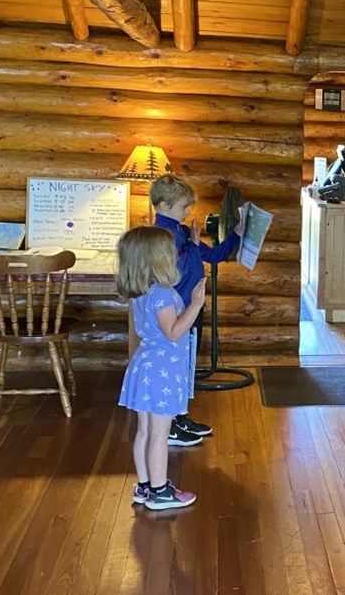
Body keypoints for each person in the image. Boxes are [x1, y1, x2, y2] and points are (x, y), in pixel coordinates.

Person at [116, 226, 205, 509]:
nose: (174, 256)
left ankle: (144, 486)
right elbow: (174, 331)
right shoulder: (162, 294)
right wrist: (196, 304)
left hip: (145, 366)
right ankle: (159, 491)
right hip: (161, 371)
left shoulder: (142, 292)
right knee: (159, 435)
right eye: (169, 253)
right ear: (156, 260)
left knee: (144, 432)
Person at [150, 174, 241, 446]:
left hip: (191, 307)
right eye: (183, 206)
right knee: (176, 365)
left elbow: (213, 256)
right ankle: (169, 426)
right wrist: (188, 244)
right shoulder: (163, 237)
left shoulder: (180, 232)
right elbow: (163, 273)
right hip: (176, 312)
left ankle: (179, 415)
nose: (188, 211)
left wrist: (235, 236)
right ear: (164, 205)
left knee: (186, 364)